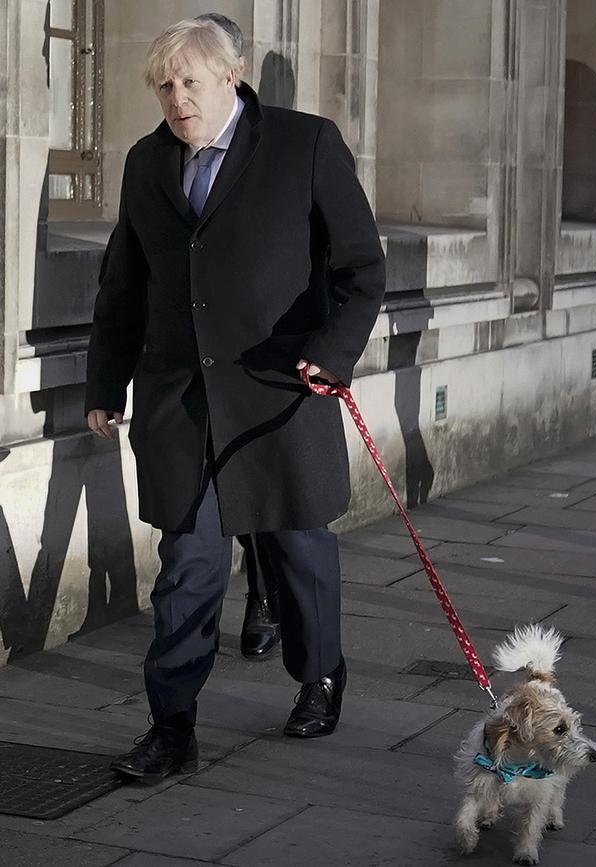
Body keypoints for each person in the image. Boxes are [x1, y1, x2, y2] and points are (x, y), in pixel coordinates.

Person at [85, 17, 385, 782]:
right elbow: (124, 286)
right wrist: (104, 383)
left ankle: (319, 674)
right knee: (189, 564)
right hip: (179, 401)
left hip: (280, 390)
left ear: (232, 75)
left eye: (190, 81)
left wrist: (334, 350)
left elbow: (361, 269)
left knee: (296, 545)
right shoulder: (146, 162)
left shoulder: (303, 144)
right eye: (164, 85)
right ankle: (171, 726)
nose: (177, 98)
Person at [196, 11, 280, 661]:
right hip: (191, 346)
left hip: (257, 348)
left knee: (250, 481)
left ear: (240, 69)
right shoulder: (175, 137)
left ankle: (263, 593)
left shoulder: (281, 143)